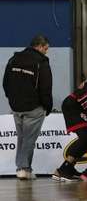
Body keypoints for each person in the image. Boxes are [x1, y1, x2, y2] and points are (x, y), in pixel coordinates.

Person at [3, 35, 53, 180]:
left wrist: (12, 99)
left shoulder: (14, 59)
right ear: (39, 46)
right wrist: (47, 107)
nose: (46, 52)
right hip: (34, 107)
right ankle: (23, 169)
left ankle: (24, 168)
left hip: (16, 106)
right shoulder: (41, 62)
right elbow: (46, 88)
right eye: (46, 48)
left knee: (22, 137)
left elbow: (6, 83)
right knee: (29, 139)